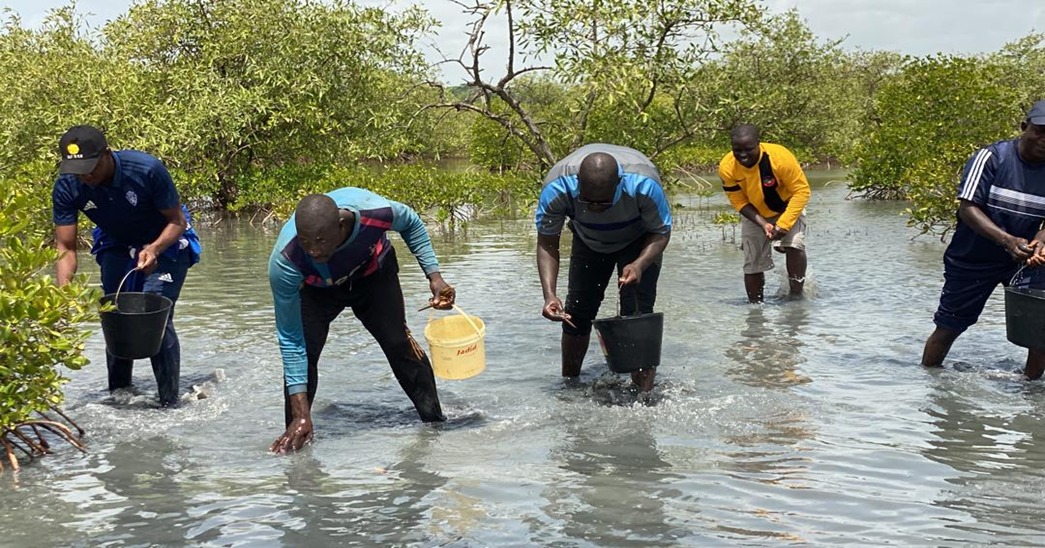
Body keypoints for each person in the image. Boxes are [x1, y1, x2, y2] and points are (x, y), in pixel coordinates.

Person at [268, 188, 456, 454]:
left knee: (398, 343)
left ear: (341, 225)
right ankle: (299, 437)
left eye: (320, 240)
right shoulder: (285, 261)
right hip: (316, 291)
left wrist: (434, 276)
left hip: (373, 276)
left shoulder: (375, 213)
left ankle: (436, 425)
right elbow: (290, 342)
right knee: (305, 354)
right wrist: (300, 413)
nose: (312, 250)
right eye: (306, 242)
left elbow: (412, 222)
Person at [52, 125, 202, 407]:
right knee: (114, 313)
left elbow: (177, 221)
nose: (86, 176)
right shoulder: (68, 184)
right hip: (116, 241)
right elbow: (66, 247)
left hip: (164, 237)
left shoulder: (146, 170)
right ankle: (120, 397)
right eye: (78, 170)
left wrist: (154, 248)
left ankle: (169, 402)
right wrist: (62, 297)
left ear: (107, 154)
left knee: (155, 313)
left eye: (91, 168)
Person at [921, 100, 1045, 378]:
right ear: (1024, 127)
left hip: (1025, 260)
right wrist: (1007, 241)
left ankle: (1030, 391)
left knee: (1040, 329)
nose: (1044, 140)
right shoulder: (992, 158)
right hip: (973, 257)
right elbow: (967, 208)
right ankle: (930, 383)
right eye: (1040, 131)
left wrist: (1040, 241)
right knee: (950, 325)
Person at [535, 144, 672, 392]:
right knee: (576, 312)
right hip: (588, 240)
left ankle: (643, 395)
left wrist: (640, 264)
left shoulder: (643, 184)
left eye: (604, 202)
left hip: (640, 241)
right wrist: (549, 294)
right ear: (578, 184)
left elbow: (661, 232)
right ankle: (570, 386)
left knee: (637, 314)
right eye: (589, 202)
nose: (596, 208)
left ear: (619, 183)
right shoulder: (558, 187)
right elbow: (547, 241)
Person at [718, 124, 811, 302]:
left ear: (758, 144)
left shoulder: (780, 157)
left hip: (788, 206)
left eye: (748, 149)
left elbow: (802, 191)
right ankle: (755, 307)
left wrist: (783, 225)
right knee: (752, 262)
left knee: (794, 244)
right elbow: (738, 201)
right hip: (755, 213)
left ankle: (796, 298)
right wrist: (763, 223)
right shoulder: (727, 166)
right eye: (737, 150)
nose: (743, 155)